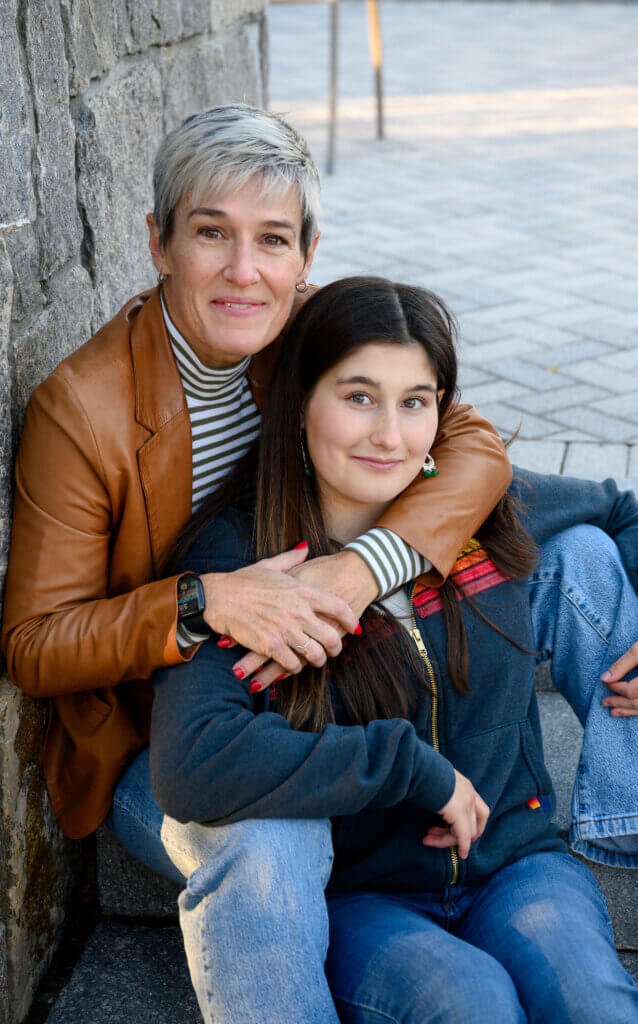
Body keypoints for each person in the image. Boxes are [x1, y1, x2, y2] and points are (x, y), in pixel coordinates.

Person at [1, 106, 515, 1021]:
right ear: (158, 243)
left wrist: (359, 572)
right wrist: (203, 601)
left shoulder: (307, 332)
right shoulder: (79, 411)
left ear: (305, 252)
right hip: (157, 737)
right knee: (270, 843)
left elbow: (472, 445)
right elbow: (37, 643)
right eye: (211, 234)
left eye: (271, 239)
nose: (245, 272)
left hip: (300, 699)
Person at [151, 276, 638, 1023]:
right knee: (472, 1003)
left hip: (515, 862)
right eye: (358, 396)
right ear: (300, 400)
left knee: (595, 1004)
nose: (389, 436)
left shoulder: (474, 511)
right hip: (366, 895)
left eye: (415, 401)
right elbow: (192, 762)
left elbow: (618, 509)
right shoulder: (246, 560)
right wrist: (406, 767)